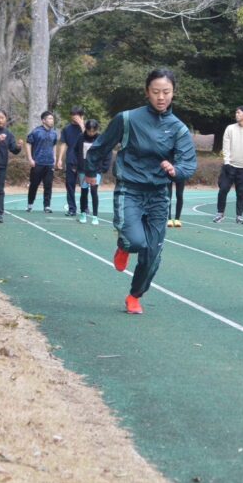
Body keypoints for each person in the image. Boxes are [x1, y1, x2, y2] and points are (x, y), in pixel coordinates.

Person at [84, 68, 197, 315]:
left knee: (153, 254)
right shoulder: (127, 119)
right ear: (147, 92)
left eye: (166, 92)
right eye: (156, 92)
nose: (161, 97)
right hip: (130, 189)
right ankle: (124, 245)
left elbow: (188, 164)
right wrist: (90, 171)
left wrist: (175, 170)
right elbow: (101, 146)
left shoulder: (178, 128)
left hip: (159, 195)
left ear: (173, 93)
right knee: (135, 241)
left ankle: (135, 295)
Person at [212, 105, 243, 225]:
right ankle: (220, 214)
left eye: (239, 113)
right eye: (236, 112)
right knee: (223, 190)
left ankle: (239, 216)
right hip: (229, 166)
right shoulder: (230, 128)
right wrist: (227, 162)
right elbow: (226, 147)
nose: (236, 114)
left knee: (241, 192)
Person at [73, 118, 110, 226]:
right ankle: (83, 213)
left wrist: (104, 167)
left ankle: (95, 216)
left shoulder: (101, 138)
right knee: (84, 191)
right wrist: (76, 164)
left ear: (97, 130)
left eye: (93, 131)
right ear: (86, 129)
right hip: (83, 169)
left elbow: (107, 152)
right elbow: (75, 151)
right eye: (89, 131)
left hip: (96, 169)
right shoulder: (80, 137)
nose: (91, 133)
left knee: (94, 191)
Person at [25, 111, 58, 213]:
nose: (52, 121)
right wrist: (30, 159)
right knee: (34, 184)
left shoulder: (54, 133)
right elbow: (28, 144)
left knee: (48, 185)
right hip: (38, 163)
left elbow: (54, 145)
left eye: (52, 119)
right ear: (43, 120)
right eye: (49, 118)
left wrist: (55, 157)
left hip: (49, 163)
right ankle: (30, 204)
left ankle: (47, 206)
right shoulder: (36, 132)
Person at [56, 106, 85, 217]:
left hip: (84, 161)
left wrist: (82, 124)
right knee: (70, 185)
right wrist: (59, 159)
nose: (74, 118)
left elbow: (88, 138)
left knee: (84, 186)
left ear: (81, 116)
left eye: (77, 116)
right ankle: (72, 208)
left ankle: (84, 207)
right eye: (73, 115)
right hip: (71, 160)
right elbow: (63, 144)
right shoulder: (66, 129)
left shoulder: (87, 127)